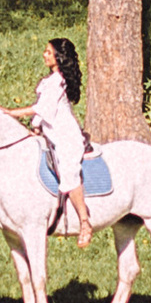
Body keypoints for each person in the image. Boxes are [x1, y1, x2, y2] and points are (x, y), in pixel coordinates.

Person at [28, 32, 94, 248]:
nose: (44, 55)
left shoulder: (59, 82)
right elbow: (43, 112)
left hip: (66, 138)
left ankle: (84, 222)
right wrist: (35, 127)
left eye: (49, 52)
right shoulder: (49, 81)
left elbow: (42, 109)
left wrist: (10, 113)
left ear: (58, 57)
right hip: (50, 135)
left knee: (68, 169)